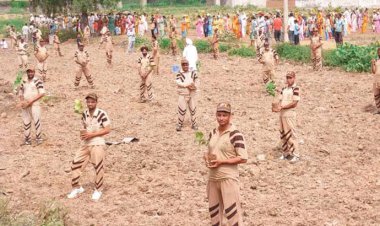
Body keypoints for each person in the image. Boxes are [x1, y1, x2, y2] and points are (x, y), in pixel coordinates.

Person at [204, 102, 248, 226]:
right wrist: (206, 158)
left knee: (232, 214)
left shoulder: (235, 134)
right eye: (219, 115)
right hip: (213, 178)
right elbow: (211, 151)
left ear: (230, 116)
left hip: (228, 178)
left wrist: (222, 162)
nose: (221, 118)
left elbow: (243, 157)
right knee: (214, 215)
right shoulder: (213, 133)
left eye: (224, 115)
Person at [67, 93, 111, 201]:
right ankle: (76, 187)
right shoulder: (84, 114)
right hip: (86, 143)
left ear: (96, 102)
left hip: (97, 142)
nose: (90, 104)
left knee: (98, 167)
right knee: (75, 164)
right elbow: (84, 127)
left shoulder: (101, 114)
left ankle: (98, 190)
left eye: (92, 102)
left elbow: (107, 129)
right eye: (88, 102)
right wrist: (83, 134)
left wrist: (92, 135)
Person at [272, 71, 300, 162]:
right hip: (282, 114)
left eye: (290, 78)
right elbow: (279, 99)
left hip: (289, 114)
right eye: (287, 77)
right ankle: (286, 153)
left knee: (291, 134)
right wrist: (275, 106)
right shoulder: (284, 89)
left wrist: (282, 107)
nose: (288, 79)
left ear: (294, 78)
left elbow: (294, 103)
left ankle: (296, 154)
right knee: (283, 134)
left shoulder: (295, 88)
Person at [17, 64, 45, 145]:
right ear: (27, 72)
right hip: (26, 104)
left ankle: (39, 138)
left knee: (37, 121)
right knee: (26, 121)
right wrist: (22, 101)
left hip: (35, 104)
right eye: (29, 72)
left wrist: (31, 101)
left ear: (34, 72)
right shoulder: (24, 81)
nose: (30, 73)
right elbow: (21, 92)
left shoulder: (37, 81)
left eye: (32, 72)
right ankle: (27, 139)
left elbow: (42, 93)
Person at [175, 59, 199, 131]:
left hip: (192, 94)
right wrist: (186, 85)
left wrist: (194, 86)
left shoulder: (193, 72)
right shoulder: (179, 73)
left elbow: (197, 80)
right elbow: (178, 82)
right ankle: (179, 124)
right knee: (182, 110)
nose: (185, 66)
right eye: (184, 64)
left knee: (193, 109)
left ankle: (194, 124)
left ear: (188, 65)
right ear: (181, 65)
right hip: (183, 94)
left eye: (186, 64)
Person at [371, 48, 380, 114]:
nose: (379, 53)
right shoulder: (377, 61)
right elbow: (373, 71)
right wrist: (373, 64)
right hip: (376, 80)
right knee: (376, 95)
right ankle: (379, 109)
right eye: (378, 52)